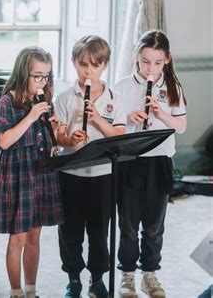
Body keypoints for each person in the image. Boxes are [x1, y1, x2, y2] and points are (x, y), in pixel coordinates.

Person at [114, 30, 187, 298]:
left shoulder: (173, 88)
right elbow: (112, 129)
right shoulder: (121, 86)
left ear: (167, 60)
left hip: (160, 162)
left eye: (157, 62)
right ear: (136, 57)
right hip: (131, 161)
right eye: (145, 61)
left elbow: (180, 127)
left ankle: (150, 273)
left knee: (155, 225)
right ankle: (128, 274)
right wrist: (130, 119)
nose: (151, 68)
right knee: (129, 224)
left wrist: (162, 113)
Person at [54, 35, 126, 298]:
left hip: (102, 175)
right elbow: (57, 135)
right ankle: (73, 279)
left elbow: (118, 136)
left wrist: (97, 121)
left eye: (94, 65)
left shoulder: (114, 98)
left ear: (104, 65)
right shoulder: (63, 98)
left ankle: (97, 279)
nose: (88, 71)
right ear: (74, 63)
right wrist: (69, 138)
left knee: (99, 231)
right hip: (71, 173)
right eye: (83, 64)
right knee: (70, 230)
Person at [0, 46, 64, 298]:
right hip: (19, 174)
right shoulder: (7, 101)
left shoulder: (44, 102)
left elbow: (52, 140)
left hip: (42, 172)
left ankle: (32, 290)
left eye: (46, 76)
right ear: (24, 74)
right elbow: (4, 141)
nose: (42, 82)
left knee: (35, 236)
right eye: (37, 76)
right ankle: (16, 291)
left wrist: (57, 130)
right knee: (18, 238)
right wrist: (32, 117)